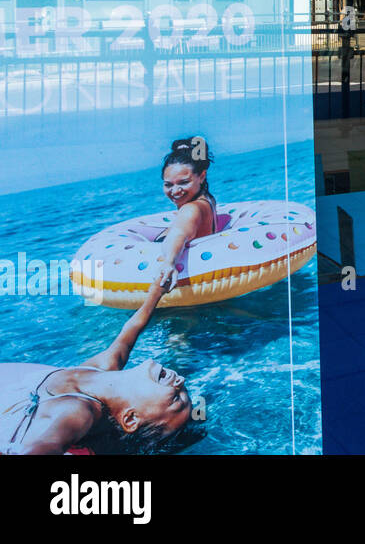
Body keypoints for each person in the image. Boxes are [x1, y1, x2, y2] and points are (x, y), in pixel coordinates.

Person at [0, 276, 194, 454]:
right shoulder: (106, 365)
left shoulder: (78, 412)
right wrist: (157, 291)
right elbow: (131, 331)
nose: (181, 380)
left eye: (176, 398)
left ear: (130, 418)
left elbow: (43, 448)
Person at [155, 137, 218, 291]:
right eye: (168, 185)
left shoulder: (190, 209)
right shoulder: (208, 200)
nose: (175, 191)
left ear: (202, 176)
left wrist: (169, 262)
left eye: (183, 182)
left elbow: (179, 234)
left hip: (184, 294)